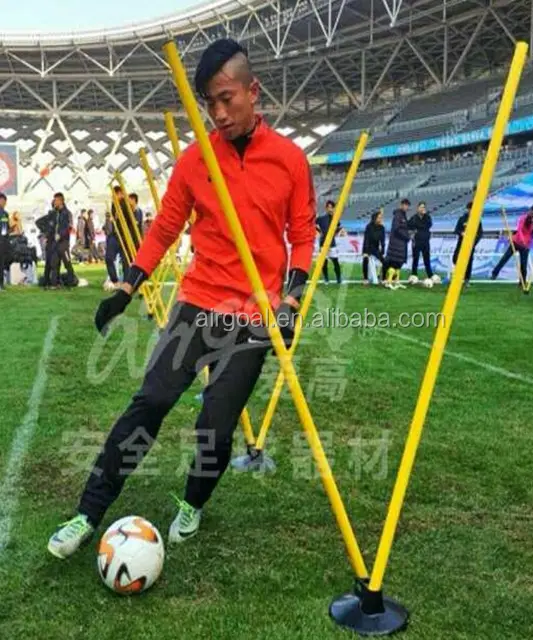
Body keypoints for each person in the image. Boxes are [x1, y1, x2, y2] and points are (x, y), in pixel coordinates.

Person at [47, 37, 316, 559]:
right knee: (151, 401)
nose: (217, 113)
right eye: (208, 103)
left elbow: (302, 233)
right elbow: (166, 225)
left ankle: (193, 502)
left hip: (253, 315)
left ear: (252, 91)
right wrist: (128, 285)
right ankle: (87, 512)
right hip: (197, 303)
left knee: (215, 425)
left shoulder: (288, 161)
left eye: (226, 99)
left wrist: (291, 301)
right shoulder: (196, 160)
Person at [491, 205, 533, 284]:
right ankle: (494, 274)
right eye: (531, 211)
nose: (532, 213)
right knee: (505, 258)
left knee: (523, 265)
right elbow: (520, 231)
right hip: (516, 242)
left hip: (526, 246)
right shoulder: (523, 218)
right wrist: (523, 241)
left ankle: (522, 282)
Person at [47, 192, 76, 289]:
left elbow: (68, 227)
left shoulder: (67, 213)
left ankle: (72, 282)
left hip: (64, 243)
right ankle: (54, 284)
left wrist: (60, 235)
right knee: (54, 263)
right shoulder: (55, 213)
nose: (54, 202)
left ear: (60, 201)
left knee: (67, 263)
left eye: (55, 200)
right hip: (55, 243)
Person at [453, 202, 483, 286]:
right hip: (461, 243)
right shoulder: (462, 219)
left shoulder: (477, 220)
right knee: (455, 258)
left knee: (469, 261)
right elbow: (456, 230)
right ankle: (459, 274)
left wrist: (474, 242)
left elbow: (480, 233)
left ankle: (466, 279)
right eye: (471, 209)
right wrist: (461, 233)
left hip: (470, 245)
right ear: (468, 209)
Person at [382, 198, 411, 287]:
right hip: (396, 244)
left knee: (398, 263)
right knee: (393, 262)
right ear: (401, 205)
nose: (406, 207)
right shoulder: (398, 215)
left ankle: (394, 280)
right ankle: (387, 280)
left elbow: (404, 228)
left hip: (401, 244)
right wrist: (406, 237)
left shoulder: (403, 215)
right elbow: (396, 229)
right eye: (405, 205)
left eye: (407, 205)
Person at [316, 200, 343, 284]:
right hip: (323, 243)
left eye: (332, 207)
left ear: (334, 208)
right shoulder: (321, 218)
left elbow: (339, 227)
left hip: (332, 244)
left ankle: (339, 278)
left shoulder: (335, 219)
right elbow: (313, 224)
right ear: (326, 208)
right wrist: (319, 231)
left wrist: (336, 233)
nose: (330, 209)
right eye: (328, 207)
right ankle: (326, 279)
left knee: (335, 261)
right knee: (324, 262)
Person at [408, 201, 435, 284]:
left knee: (427, 259)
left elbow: (428, 225)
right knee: (415, 259)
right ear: (417, 208)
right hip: (416, 241)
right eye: (421, 207)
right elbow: (409, 227)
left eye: (424, 207)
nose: (423, 209)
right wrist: (412, 233)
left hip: (425, 241)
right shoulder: (413, 218)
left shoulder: (427, 217)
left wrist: (418, 227)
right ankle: (414, 274)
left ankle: (430, 275)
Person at [362, 209, 385, 285]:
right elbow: (366, 240)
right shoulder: (369, 227)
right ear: (375, 218)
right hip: (367, 247)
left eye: (381, 217)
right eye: (379, 217)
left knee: (384, 261)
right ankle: (365, 279)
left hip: (375, 248)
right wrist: (366, 252)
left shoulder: (382, 228)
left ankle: (383, 278)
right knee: (365, 259)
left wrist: (382, 250)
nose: (381, 219)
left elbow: (383, 241)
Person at [0, 193, 9, 291]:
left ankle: (1, 284)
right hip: (1, 241)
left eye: (4, 201)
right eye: (2, 200)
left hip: (3, 242)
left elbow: (5, 228)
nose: (3, 203)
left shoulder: (5, 213)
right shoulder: (3, 213)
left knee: (1, 264)